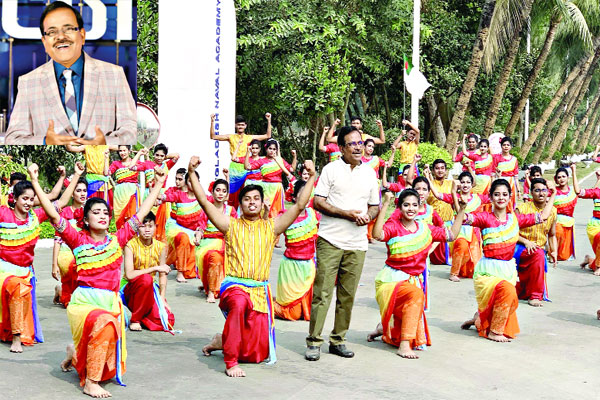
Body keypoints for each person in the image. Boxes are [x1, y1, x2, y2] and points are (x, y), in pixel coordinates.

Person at [32, 163, 166, 398]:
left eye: (106, 212)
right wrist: (34, 180)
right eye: (96, 212)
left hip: (111, 303)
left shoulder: (118, 239)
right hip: (85, 303)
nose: (102, 216)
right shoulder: (77, 239)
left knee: (108, 368)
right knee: (103, 324)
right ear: (84, 219)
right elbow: (53, 213)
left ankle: (75, 355)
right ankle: (90, 383)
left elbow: (143, 211)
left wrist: (159, 182)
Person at [189, 156, 316, 377]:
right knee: (238, 304)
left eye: (256, 198)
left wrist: (312, 176)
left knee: (255, 354)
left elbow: (299, 205)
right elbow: (205, 203)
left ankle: (221, 341)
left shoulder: (273, 227)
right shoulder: (230, 225)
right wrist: (192, 173)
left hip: (259, 291)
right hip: (234, 287)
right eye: (247, 199)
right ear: (240, 203)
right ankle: (230, 361)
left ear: (262, 202)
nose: (252, 202)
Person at [5, 2, 136, 145]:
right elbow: (13, 139)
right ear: (44, 42)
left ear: (82, 35)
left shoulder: (114, 75)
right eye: (52, 32)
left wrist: (105, 143)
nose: (60, 37)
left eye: (68, 29)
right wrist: (44, 142)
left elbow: (132, 131)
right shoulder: (28, 82)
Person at [305, 126, 380, 362]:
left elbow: (375, 204)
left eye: (360, 142)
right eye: (352, 144)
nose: (358, 147)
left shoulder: (369, 173)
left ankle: (338, 340)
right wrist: (346, 214)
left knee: (347, 296)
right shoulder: (331, 169)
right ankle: (314, 342)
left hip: (357, 244)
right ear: (341, 148)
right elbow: (318, 202)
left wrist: (369, 216)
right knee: (323, 293)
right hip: (330, 239)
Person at [367, 189, 466, 358]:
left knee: (408, 306)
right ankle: (404, 345)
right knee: (415, 295)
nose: (411, 208)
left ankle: (383, 328)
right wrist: (384, 206)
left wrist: (462, 210)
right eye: (406, 205)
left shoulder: (425, 229)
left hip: (414, 280)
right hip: (392, 280)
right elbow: (377, 235)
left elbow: (451, 235)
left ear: (419, 207)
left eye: (414, 205)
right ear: (399, 208)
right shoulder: (394, 227)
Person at [0, 163, 82, 353]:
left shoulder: (36, 217)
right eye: (24, 199)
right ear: (15, 199)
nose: (28, 203)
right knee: (17, 287)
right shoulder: (4, 213)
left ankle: (15, 334)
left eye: (31, 199)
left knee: (20, 288)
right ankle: (16, 338)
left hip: (25, 272)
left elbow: (60, 203)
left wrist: (76, 175)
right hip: (3, 271)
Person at [460, 179, 555, 342]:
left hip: (507, 269)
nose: (501, 198)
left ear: (510, 196)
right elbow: (465, 218)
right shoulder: (485, 218)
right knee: (507, 291)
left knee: (501, 299)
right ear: (490, 197)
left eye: (505, 194)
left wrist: (552, 195)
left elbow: (544, 216)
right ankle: (495, 332)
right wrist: (460, 206)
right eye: (496, 194)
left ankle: (479, 319)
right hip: (487, 270)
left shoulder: (515, 219)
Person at [429, 171, 490, 282]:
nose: (465, 185)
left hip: (474, 232)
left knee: (473, 259)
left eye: (468, 182)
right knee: (460, 246)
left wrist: (498, 178)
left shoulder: (478, 198)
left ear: (472, 185)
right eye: (462, 182)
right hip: (459, 230)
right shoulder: (455, 197)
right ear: (459, 184)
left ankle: (464, 270)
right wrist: (428, 179)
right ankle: (454, 273)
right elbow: (438, 195)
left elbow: (493, 197)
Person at [274, 180, 320, 320]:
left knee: (306, 314)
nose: (306, 197)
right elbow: (270, 234)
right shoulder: (285, 216)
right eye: (302, 194)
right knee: (291, 314)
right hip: (291, 268)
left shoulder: (314, 215)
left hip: (309, 267)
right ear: (294, 197)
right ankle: (266, 303)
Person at [121, 212, 174, 332]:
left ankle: (143, 315)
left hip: (150, 289)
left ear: (156, 227)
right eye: (143, 226)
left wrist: (161, 298)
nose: (147, 230)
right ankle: (135, 319)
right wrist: (154, 269)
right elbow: (129, 275)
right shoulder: (130, 245)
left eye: (150, 226)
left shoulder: (160, 247)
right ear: (137, 228)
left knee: (167, 321)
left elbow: (162, 274)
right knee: (146, 279)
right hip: (130, 288)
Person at [210, 113, 272, 209]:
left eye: (242, 125)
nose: (240, 126)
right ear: (235, 125)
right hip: (234, 167)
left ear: (245, 126)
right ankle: (232, 215)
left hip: (246, 166)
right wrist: (212, 121)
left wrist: (269, 120)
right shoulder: (231, 137)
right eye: (238, 125)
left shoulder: (249, 138)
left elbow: (268, 135)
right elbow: (213, 136)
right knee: (232, 194)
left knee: (246, 193)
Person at [515, 178, 557, 306]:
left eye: (544, 190)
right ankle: (533, 294)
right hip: (519, 246)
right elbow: (510, 231)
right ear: (531, 193)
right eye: (537, 190)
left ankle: (533, 294)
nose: (541, 193)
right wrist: (526, 242)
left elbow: (552, 234)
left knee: (538, 253)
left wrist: (554, 251)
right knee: (537, 253)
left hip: (538, 249)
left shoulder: (553, 211)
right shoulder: (521, 209)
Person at [195, 179, 237, 303]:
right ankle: (212, 292)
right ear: (212, 192)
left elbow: (236, 228)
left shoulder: (231, 211)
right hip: (209, 244)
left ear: (227, 195)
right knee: (215, 258)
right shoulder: (208, 209)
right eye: (217, 190)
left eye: (224, 191)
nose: (220, 194)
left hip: (228, 243)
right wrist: (198, 236)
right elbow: (200, 227)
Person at [162, 171, 204, 282]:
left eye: (195, 181)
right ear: (186, 182)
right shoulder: (179, 195)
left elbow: (220, 200)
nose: (193, 184)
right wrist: (158, 184)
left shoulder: (203, 198)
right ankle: (180, 272)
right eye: (190, 181)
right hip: (177, 227)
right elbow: (165, 197)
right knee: (183, 237)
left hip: (195, 231)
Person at [52, 177, 88, 307]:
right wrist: (54, 264)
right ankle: (63, 290)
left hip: (84, 252)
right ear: (72, 193)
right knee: (69, 303)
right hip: (66, 254)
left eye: (84, 190)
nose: (82, 193)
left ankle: (60, 290)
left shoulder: (90, 211)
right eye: (78, 190)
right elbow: (57, 240)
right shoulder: (64, 212)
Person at [244, 139, 297, 218]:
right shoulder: (261, 161)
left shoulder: (279, 160)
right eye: (270, 148)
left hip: (277, 188)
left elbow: (292, 169)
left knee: (277, 211)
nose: (272, 151)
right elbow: (247, 167)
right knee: (264, 210)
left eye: (274, 149)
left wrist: (294, 156)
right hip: (265, 188)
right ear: (266, 149)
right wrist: (248, 153)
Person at [138, 144, 180, 242]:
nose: (159, 158)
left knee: (161, 220)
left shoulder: (166, 165)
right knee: (147, 217)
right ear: (153, 155)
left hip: (161, 195)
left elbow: (177, 156)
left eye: (162, 156)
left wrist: (165, 157)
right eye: (157, 155)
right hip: (149, 193)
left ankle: (160, 243)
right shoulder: (148, 164)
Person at [106, 145, 144, 229]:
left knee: (133, 216)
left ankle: (133, 238)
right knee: (120, 217)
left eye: (124, 150)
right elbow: (107, 173)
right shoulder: (116, 164)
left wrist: (143, 154)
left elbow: (147, 168)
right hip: (119, 195)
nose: (122, 153)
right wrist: (106, 158)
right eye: (120, 151)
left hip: (132, 193)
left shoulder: (136, 162)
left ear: (129, 151)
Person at [423, 160, 454, 265]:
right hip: (434, 225)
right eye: (437, 168)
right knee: (435, 258)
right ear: (433, 170)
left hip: (448, 223)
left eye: (442, 168)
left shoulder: (451, 184)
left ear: (446, 171)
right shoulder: (428, 185)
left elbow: (471, 183)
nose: (440, 171)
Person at [554, 164, 579, 261]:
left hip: (568, 223)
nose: (561, 179)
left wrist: (574, 171)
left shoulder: (573, 191)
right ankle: (552, 250)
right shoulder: (553, 191)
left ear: (568, 178)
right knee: (558, 231)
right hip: (556, 222)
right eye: (559, 177)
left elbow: (588, 193)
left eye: (563, 176)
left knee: (564, 256)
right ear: (556, 179)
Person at [578, 171, 600, 275]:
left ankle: (590, 260)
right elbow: (579, 192)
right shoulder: (597, 192)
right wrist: (573, 172)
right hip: (595, 226)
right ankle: (598, 266)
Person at [493, 137, 521, 207]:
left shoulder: (514, 159)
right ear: (501, 146)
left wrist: (518, 191)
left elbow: (516, 177)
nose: (506, 147)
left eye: (508, 145)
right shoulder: (496, 158)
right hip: (499, 181)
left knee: (511, 203)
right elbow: (493, 174)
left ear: (511, 147)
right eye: (504, 145)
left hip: (511, 183)